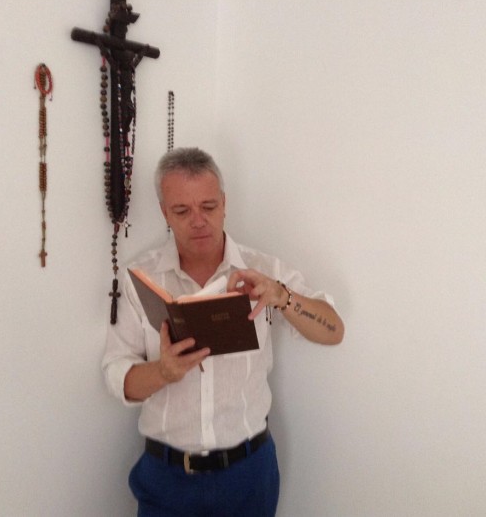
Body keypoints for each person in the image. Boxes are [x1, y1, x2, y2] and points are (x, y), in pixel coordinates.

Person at [102, 147, 344, 517]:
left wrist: (283, 297)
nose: (198, 221)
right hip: (167, 477)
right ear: (164, 212)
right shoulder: (140, 279)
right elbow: (117, 376)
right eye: (182, 211)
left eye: (209, 206)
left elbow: (333, 330)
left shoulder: (262, 269)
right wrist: (163, 372)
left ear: (225, 204)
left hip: (248, 474)